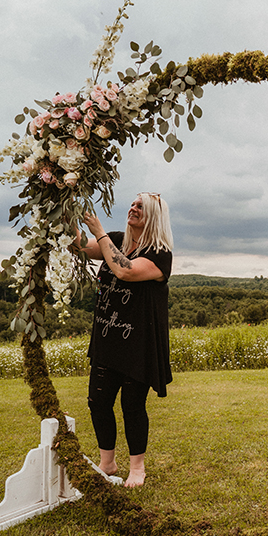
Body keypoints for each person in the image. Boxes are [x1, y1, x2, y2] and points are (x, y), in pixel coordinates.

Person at [73, 192, 173, 488]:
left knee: (132, 405)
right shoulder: (116, 239)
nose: (133, 208)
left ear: (154, 215)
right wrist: (64, 207)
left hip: (138, 342)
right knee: (98, 401)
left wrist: (100, 232)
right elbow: (79, 246)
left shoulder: (159, 253)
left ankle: (137, 468)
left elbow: (124, 270)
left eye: (141, 206)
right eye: (132, 204)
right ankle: (107, 461)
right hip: (107, 336)